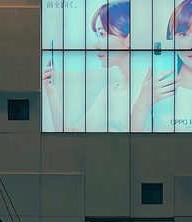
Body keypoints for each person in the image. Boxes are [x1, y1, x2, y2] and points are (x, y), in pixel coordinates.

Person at [43, 1, 132, 132]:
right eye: (97, 35)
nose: (95, 45)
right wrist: (51, 91)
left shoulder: (148, 91)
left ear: (128, 39)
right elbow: (72, 136)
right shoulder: (108, 93)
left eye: (102, 34)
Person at [131, 0, 192, 133]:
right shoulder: (154, 90)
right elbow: (134, 147)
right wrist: (140, 106)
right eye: (184, 34)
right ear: (172, 38)